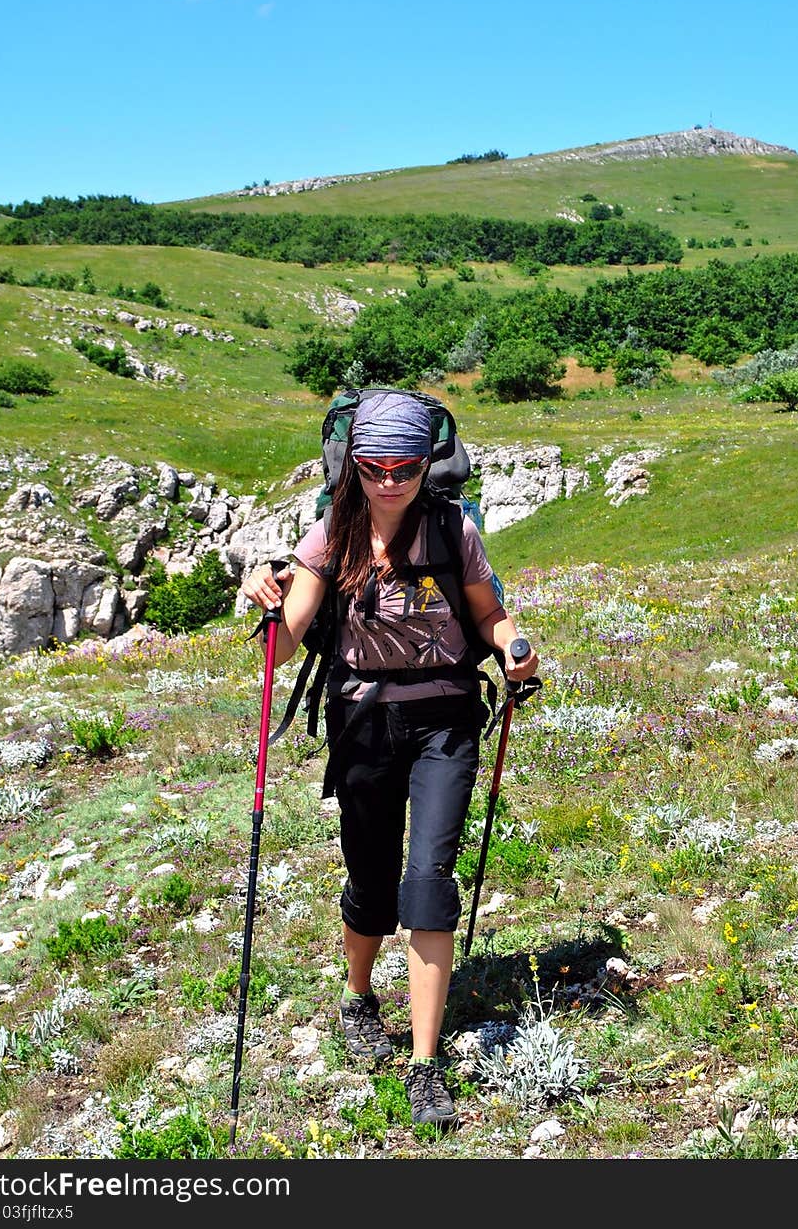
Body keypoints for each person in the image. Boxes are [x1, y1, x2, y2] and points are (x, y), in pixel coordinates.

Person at [241, 391, 538, 1128]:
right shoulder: (330, 536)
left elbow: (490, 612)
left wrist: (514, 647)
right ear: (353, 467)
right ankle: (358, 995)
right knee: (371, 881)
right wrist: (268, 604)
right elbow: (286, 642)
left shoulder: (452, 528)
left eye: (404, 467)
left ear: (425, 464)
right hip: (364, 722)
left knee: (427, 878)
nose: (388, 481)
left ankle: (425, 1064)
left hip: (445, 719)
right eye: (373, 467)